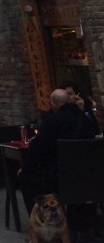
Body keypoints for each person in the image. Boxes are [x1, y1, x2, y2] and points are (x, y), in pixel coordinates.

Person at [18, 86, 97, 215]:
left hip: (60, 177)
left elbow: (38, 150)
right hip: (89, 173)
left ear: (53, 104)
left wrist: (26, 167)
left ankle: (39, 221)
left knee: (26, 176)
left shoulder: (52, 122)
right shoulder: (84, 119)